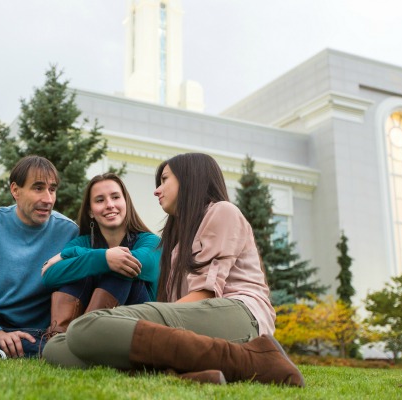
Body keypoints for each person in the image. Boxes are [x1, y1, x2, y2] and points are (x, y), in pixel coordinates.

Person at [43, 153, 304, 387]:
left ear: (189, 180)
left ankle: (254, 360)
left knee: (86, 327)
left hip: (239, 314)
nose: (157, 191)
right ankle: (178, 372)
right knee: (56, 348)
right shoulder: (177, 237)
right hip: (190, 325)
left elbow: (206, 294)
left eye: (164, 180)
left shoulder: (222, 212)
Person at [0, 156, 79, 358]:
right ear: (15, 190)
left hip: (34, 333)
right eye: (38, 188)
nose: (48, 199)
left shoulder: (68, 232)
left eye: (52, 189)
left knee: (46, 346)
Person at [40, 173, 160, 337]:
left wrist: (72, 253)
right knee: (78, 273)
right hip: (95, 325)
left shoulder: (150, 241)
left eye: (115, 197)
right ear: (90, 211)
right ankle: (57, 338)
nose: (109, 205)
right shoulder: (82, 242)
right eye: (100, 200)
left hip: (137, 328)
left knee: (122, 270)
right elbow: (49, 276)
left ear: (126, 202)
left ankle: (83, 339)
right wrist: (104, 258)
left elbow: (134, 262)